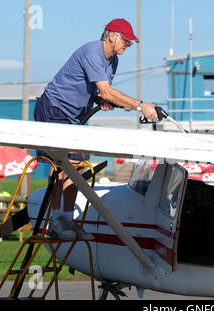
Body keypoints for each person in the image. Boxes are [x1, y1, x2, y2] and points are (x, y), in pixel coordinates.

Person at [34, 18, 158, 240]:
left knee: (76, 165)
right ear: (112, 35)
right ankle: (55, 222)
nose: (127, 47)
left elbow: (102, 92)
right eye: (126, 42)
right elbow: (107, 91)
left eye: (130, 44)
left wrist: (102, 99)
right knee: (64, 164)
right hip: (54, 108)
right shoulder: (92, 52)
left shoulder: (113, 61)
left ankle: (67, 220)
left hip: (73, 115)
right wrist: (140, 106)